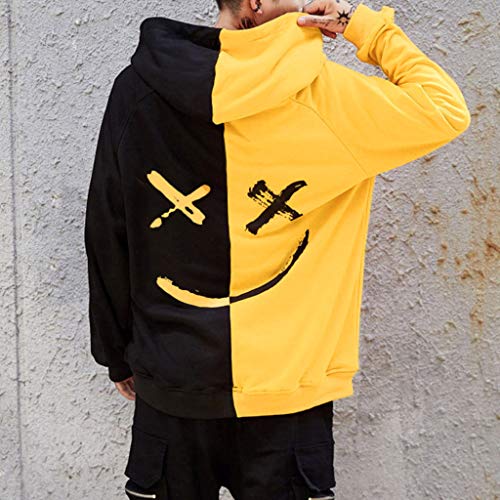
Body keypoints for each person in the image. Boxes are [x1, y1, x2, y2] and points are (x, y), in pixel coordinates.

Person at [83, 0, 470, 498]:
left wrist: (116, 353)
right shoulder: (330, 97)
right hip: (287, 393)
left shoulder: (137, 91)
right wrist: (359, 24)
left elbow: (107, 226)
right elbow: (444, 107)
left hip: (174, 382)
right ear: (256, 2)